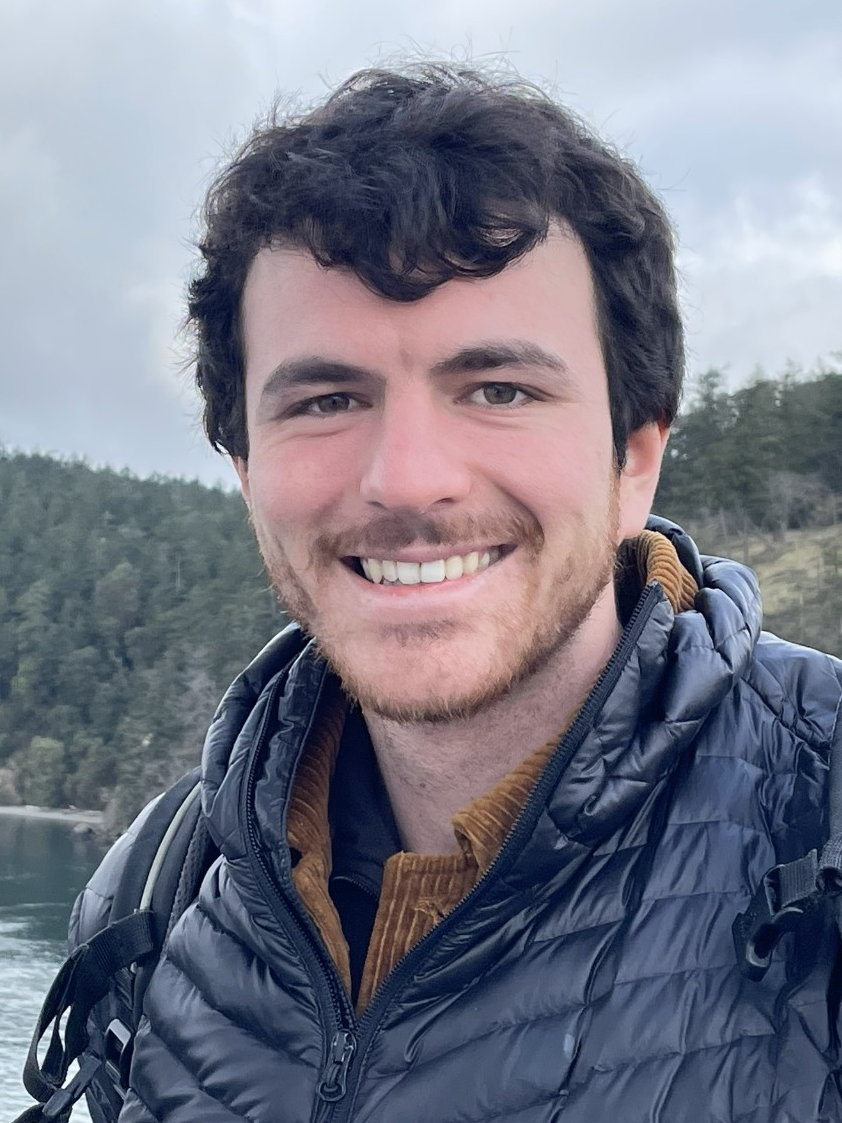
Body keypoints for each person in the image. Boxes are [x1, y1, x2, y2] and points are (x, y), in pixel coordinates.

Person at [70, 64, 842, 1121]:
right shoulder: (159, 890)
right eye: (327, 398)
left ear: (634, 457)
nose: (407, 480)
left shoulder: (820, 822)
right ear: (246, 471)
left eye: (498, 389)